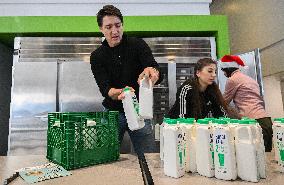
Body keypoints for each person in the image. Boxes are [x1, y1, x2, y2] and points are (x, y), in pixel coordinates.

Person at [90, 5, 163, 156]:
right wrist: (121, 92)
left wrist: (152, 73)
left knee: (148, 156)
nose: (114, 31)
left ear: (122, 25)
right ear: (101, 29)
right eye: (108, 27)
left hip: (139, 111)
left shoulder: (137, 45)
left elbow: (156, 70)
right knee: (106, 156)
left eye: (118, 25)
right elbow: (105, 89)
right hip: (112, 113)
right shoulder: (97, 56)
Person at [220, 54, 273, 152]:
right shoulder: (250, 80)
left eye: (223, 70)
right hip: (266, 121)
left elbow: (224, 101)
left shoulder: (232, 80)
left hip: (251, 122)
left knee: (252, 157)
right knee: (265, 159)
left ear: (228, 69)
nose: (223, 73)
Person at [167, 58, 231, 119]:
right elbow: (181, 117)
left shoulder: (212, 90)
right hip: (176, 126)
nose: (214, 75)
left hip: (196, 127)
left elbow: (221, 113)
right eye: (210, 71)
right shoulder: (187, 89)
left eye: (215, 72)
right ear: (198, 73)